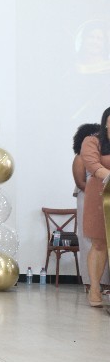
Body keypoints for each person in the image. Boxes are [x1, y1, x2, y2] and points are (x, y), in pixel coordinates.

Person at [72, 123, 110, 293]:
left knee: (103, 240)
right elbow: (80, 182)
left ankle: (105, 282)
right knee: (89, 240)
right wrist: (97, 192)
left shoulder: (103, 155)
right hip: (88, 197)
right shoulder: (80, 157)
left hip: (105, 197)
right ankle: (90, 282)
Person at [81, 107, 110, 307]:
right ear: (106, 122)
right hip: (100, 196)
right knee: (99, 243)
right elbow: (93, 166)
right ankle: (94, 289)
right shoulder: (92, 141)